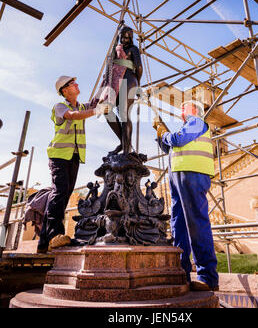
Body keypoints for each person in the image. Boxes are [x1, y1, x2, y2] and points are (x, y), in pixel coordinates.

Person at [152, 100, 219, 291]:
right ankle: (182, 272)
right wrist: (159, 136)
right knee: (178, 225)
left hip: (193, 174)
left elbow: (176, 140)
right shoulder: (186, 128)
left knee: (196, 223)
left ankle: (207, 276)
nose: (181, 109)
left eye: (185, 106)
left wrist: (164, 133)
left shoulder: (196, 122)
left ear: (195, 110)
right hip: (179, 176)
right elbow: (170, 148)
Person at [37, 76, 103, 253]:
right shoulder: (60, 107)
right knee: (59, 193)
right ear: (64, 90)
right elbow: (75, 116)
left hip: (73, 156)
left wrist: (107, 78)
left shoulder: (81, 106)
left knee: (64, 196)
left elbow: (96, 101)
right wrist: (98, 110)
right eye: (72, 83)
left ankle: (43, 243)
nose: (76, 84)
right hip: (59, 155)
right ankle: (54, 236)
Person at [99, 25, 143, 155]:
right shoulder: (115, 49)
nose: (124, 40)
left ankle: (126, 149)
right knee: (106, 110)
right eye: (122, 37)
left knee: (124, 114)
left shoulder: (133, 49)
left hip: (128, 79)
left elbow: (139, 67)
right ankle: (124, 143)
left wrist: (138, 84)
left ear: (131, 38)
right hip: (114, 81)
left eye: (127, 38)